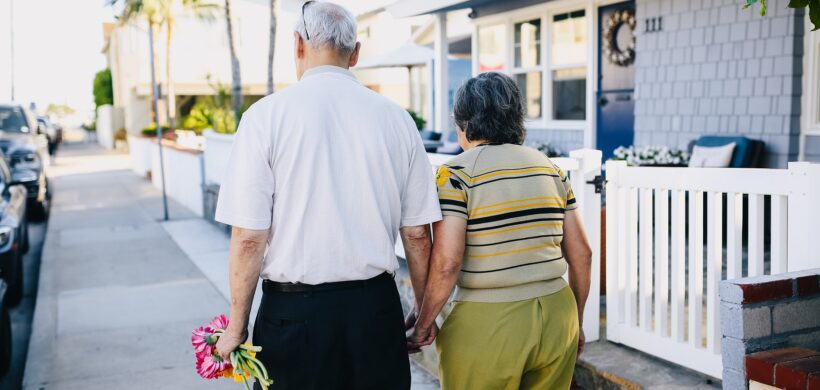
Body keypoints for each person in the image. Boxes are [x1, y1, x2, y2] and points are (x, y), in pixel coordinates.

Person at [212, 2, 442, 389]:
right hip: (375, 312)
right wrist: (423, 313)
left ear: (297, 45)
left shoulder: (265, 117)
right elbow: (418, 235)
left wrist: (237, 326)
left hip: (292, 317)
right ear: (355, 53)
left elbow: (249, 237)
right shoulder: (396, 119)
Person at [407, 72, 593, 390]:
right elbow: (583, 256)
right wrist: (576, 320)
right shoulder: (552, 169)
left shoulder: (455, 174)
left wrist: (424, 322)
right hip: (556, 313)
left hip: (487, 323)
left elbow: (447, 263)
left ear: (463, 123)